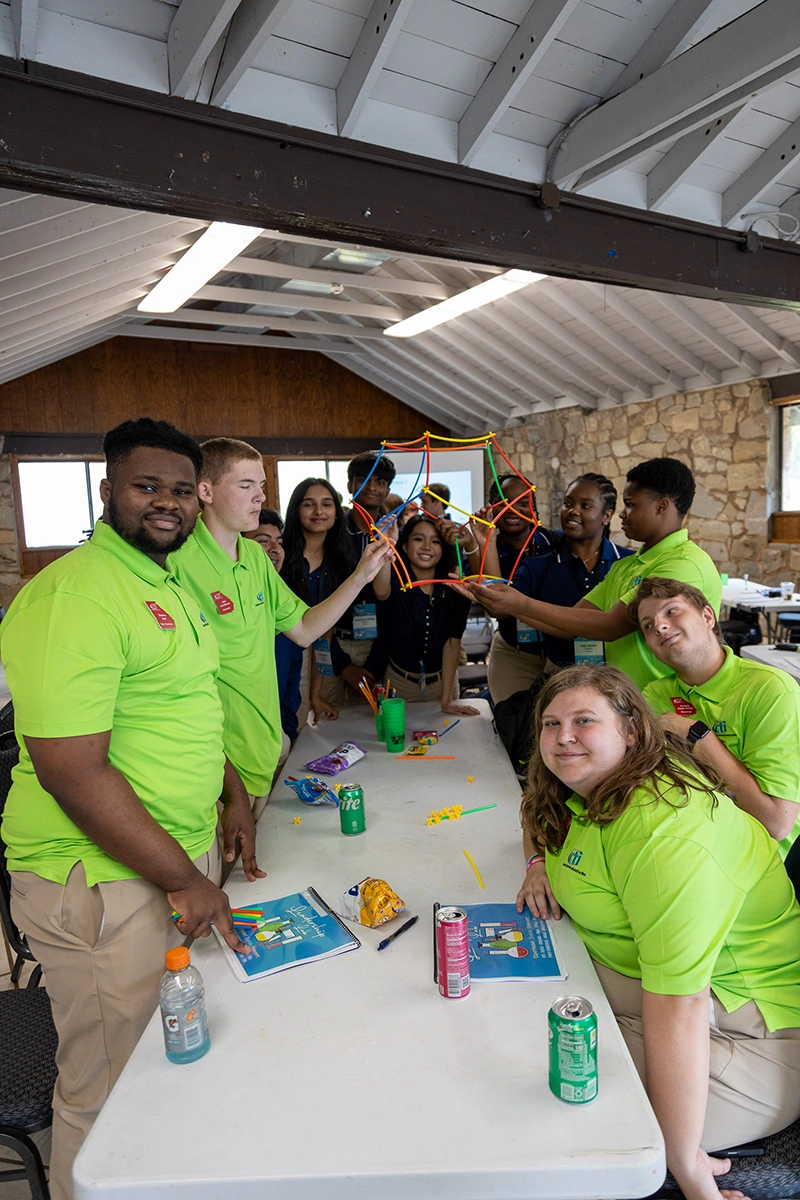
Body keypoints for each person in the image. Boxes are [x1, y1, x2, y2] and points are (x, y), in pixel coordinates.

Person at [0, 419, 266, 1200]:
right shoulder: (77, 593)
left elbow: (181, 705)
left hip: (172, 858)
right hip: (104, 881)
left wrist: (233, 792)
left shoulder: (168, 581)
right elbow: (72, 772)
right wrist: (187, 878)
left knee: (168, 1065)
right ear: (108, 488)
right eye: (147, 486)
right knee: (109, 1090)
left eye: (182, 490)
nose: (168, 504)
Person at [517, 665, 800, 1200]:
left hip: (750, 1033)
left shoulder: (667, 832)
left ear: (630, 730)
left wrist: (690, 1172)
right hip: (654, 990)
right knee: (507, 1027)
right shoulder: (587, 787)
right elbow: (533, 810)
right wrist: (537, 861)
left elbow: (682, 1005)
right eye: (550, 725)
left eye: (583, 720)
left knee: (552, 1093)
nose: (563, 738)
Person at [172, 452, 392, 798]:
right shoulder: (176, 561)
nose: (260, 496)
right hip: (211, 764)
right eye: (246, 485)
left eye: (261, 485)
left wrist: (362, 574)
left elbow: (305, 628)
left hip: (262, 747)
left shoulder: (256, 557)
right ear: (206, 491)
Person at [463, 457, 721, 691]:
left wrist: (518, 603)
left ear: (662, 506)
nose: (623, 513)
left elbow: (612, 625)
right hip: (630, 696)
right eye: (568, 504)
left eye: (630, 505)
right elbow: (573, 623)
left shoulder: (682, 563)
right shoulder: (628, 566)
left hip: (671, 698)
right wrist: (509, 601)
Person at [630, 576, 800, 863]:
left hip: (763, 862)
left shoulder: (770, 690)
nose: (659, 625)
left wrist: (697, 736)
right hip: (691, 849)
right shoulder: (655, 695)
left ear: (708, 616)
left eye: (671, 611)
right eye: (648, 625)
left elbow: (775, 823)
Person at [487, 473, 632, 702]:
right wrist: (481, 540)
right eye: (567, 503)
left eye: (585, 506)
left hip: (616, 679)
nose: (573, 511)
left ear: (607, 515)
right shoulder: (539, 565)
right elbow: (500, 605)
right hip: (558, 679)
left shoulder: (627, 564)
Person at [372, 513, 479, 715]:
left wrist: (446, 700)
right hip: (398, 684)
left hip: (443, 685)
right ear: (404, 545)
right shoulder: (395, 580)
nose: (427, 546)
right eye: (418, 539)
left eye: (435, 541)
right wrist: (387, 544)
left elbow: (452, 643)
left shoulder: (453, 586)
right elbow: (381, 591)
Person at [243, 507, 303, 796]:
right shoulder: (231, 602)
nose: (274, 549)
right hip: (237, 747)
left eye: (278, 541)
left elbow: (291, 680)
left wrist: (286, 735)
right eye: (263, 540)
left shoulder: (286, 602)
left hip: (275, 741)